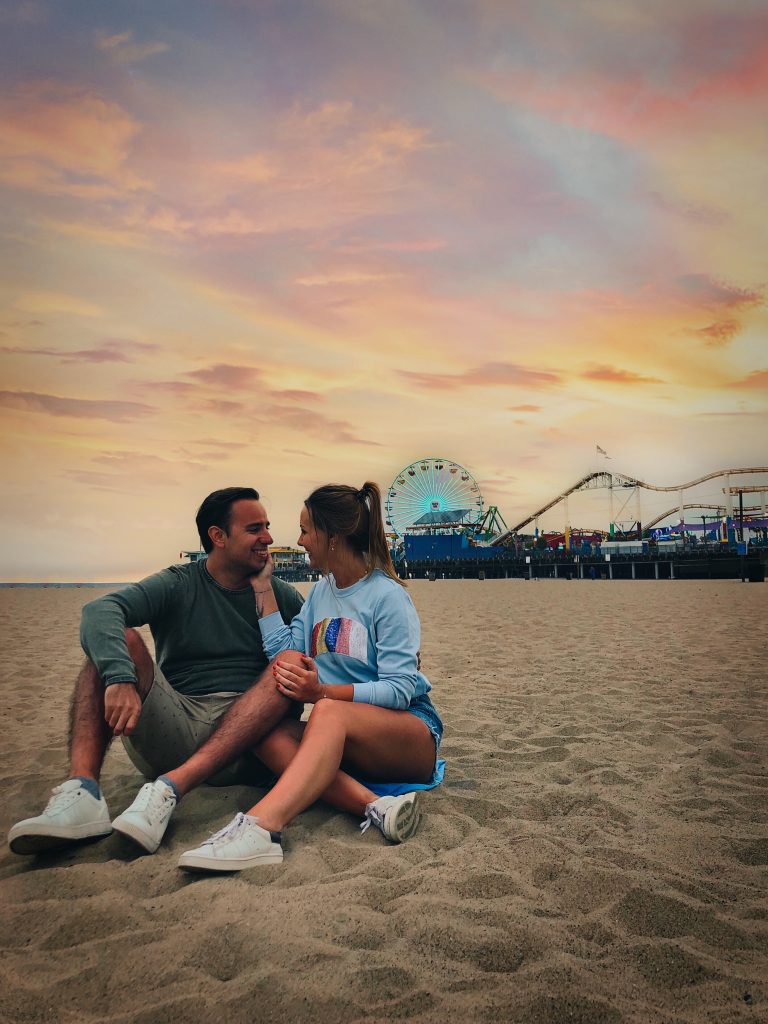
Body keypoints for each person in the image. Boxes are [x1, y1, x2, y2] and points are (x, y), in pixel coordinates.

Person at [8, 487, 304, 856]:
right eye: (254, 529)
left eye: (267, 526)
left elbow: (325, 656)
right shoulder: (180, 583)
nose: (268, 538)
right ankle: (82, 792)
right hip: (175, 726)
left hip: (248, 741)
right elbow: (100, 612)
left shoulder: (280, 594)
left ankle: (169, 790)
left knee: (288, 662)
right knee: (123, 641)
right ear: (218, 536)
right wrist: (119, 677)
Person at [174, 481, 444, 873]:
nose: (299, 540)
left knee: (329, 711)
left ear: (332, 537)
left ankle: (263, 826)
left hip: (409, 735)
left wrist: (322, 692)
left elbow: (401, 689)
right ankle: (378, 807)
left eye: (305, 530)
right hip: (343, 735)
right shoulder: (322, 593)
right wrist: (263, 588)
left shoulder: (387, 597)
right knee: (264, 732)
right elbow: (285, 652)